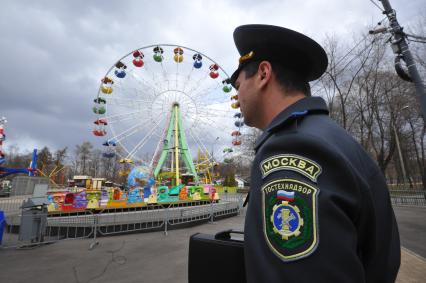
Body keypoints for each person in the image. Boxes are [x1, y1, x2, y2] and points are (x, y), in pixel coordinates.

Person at [229, 24, 400, 282]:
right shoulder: (337, 140)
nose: (236, 96)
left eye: (238, 84)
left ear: (263, 73)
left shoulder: (290, 150)